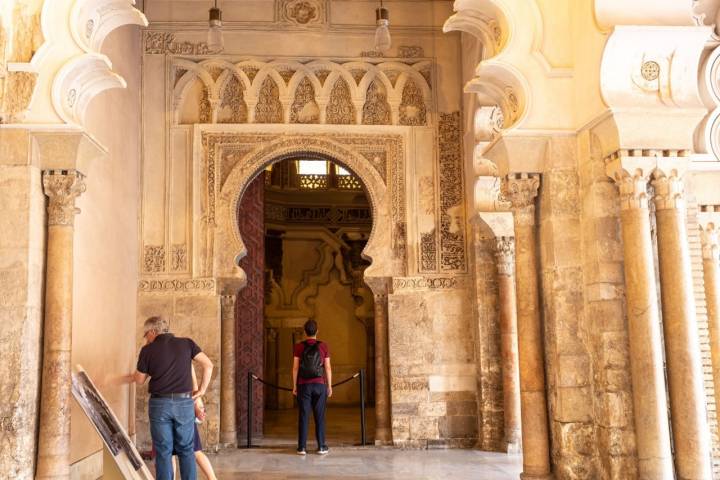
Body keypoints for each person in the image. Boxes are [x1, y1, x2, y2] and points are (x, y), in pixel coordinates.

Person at [130, 316, 213, 480]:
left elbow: (139, 380)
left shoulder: (147, 350)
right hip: (184, 403)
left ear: (153, 331)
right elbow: (208, 365)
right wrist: (202, 391)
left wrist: (147, 351)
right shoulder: (187, 343)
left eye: (146, 334)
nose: (146, 338)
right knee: (187, 449)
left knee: (163, 450)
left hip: (160, 404)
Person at [292, 319, 332, 455]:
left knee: (304, 415)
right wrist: (329, 386)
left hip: (304, 385)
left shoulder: (299, 347)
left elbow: (295, 368)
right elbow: (327, 367)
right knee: (319, 416)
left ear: (305, 332)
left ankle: (302, 447)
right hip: (320, 385)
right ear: (317, 331)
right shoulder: (323, 346)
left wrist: (294, 386)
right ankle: (321, 446)